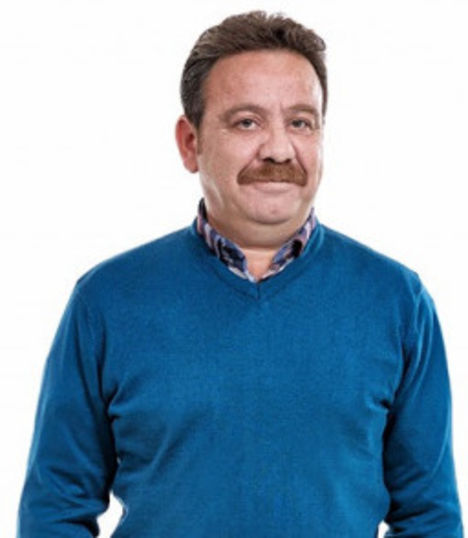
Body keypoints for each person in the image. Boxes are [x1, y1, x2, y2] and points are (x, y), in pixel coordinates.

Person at [17, 10, 464, 538]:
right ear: (191, 143)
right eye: (247, 122)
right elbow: (54, 511)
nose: (278, 149)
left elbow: (430, 517)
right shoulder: (107, 301)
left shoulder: (397, 301)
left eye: (300, 122)